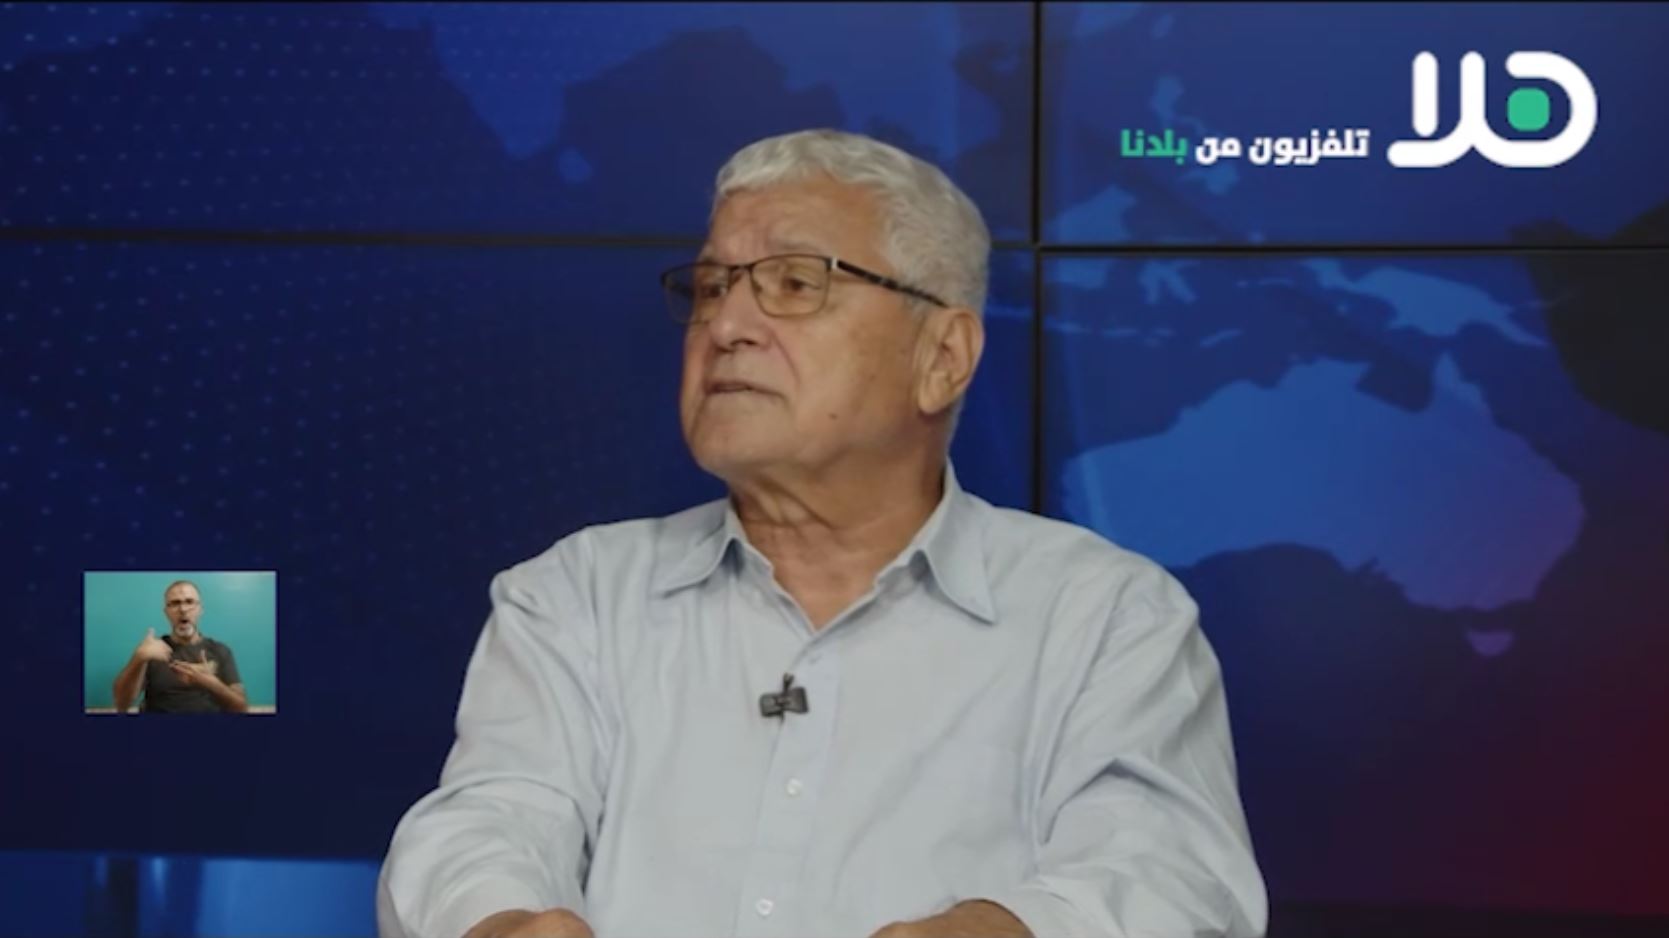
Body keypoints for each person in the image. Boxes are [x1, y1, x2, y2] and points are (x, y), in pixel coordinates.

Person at [377, 129, 1266, 938]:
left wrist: (1006, 930)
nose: (725, 327)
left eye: (795, 284)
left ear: (942, 358)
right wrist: (499, 923)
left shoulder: (1103, 614)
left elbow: (1166, 873)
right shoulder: (577, 595)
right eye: (712, 287)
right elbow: (489, 821)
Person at [112, 580, 248, 714]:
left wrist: (211, 683)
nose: (183, 609)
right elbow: (121, 705)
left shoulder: (220, 651)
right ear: (166, 612)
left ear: (200, 610)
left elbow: (241, 708)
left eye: (189, 602)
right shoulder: (152, 650)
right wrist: (138, 658)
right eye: (175, 603)